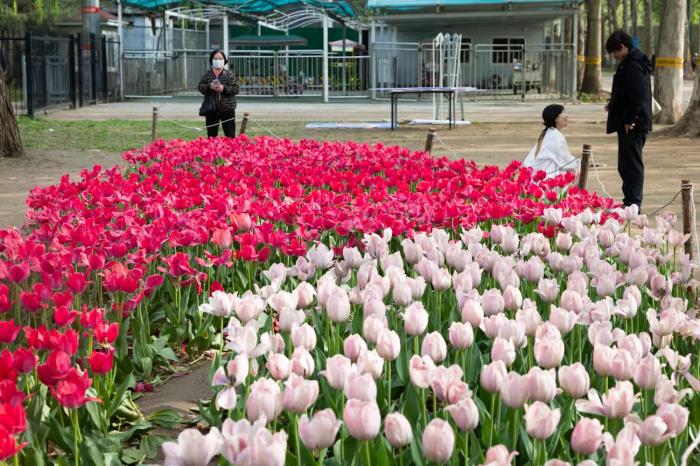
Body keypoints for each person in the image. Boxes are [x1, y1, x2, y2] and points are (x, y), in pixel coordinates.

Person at [605, 30, 652, 210]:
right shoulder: (629, 62)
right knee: (625, 165)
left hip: (633, 124)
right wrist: (613, 104)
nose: (615, 56)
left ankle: (634, 203)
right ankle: (629, 201)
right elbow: (626, 91)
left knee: (632, 165)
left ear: (623, 47)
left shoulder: (634, 65)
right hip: (628, 121)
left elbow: (638, 95)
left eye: (615, 52)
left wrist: (630, 119)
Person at [523, 104, 579, 179]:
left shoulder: (549, 132)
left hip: (536, 173)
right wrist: (581, 163)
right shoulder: (555, 136)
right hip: (543, 177)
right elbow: (565, 160)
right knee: (575, 171)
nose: (566, 116)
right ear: (556, 118)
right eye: (563, 113)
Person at [198, 49, 239, 138]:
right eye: (215, 59)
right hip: (211, 109)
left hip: (227, 108)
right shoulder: (207, 74)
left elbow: (236, 89)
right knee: (211, 135)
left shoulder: (229, 74)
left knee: (230, 135)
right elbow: (200, 87)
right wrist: (209, 86)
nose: (218, 61)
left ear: (224, 60)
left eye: (220, 59)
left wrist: (224, 88)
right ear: (211, 60)